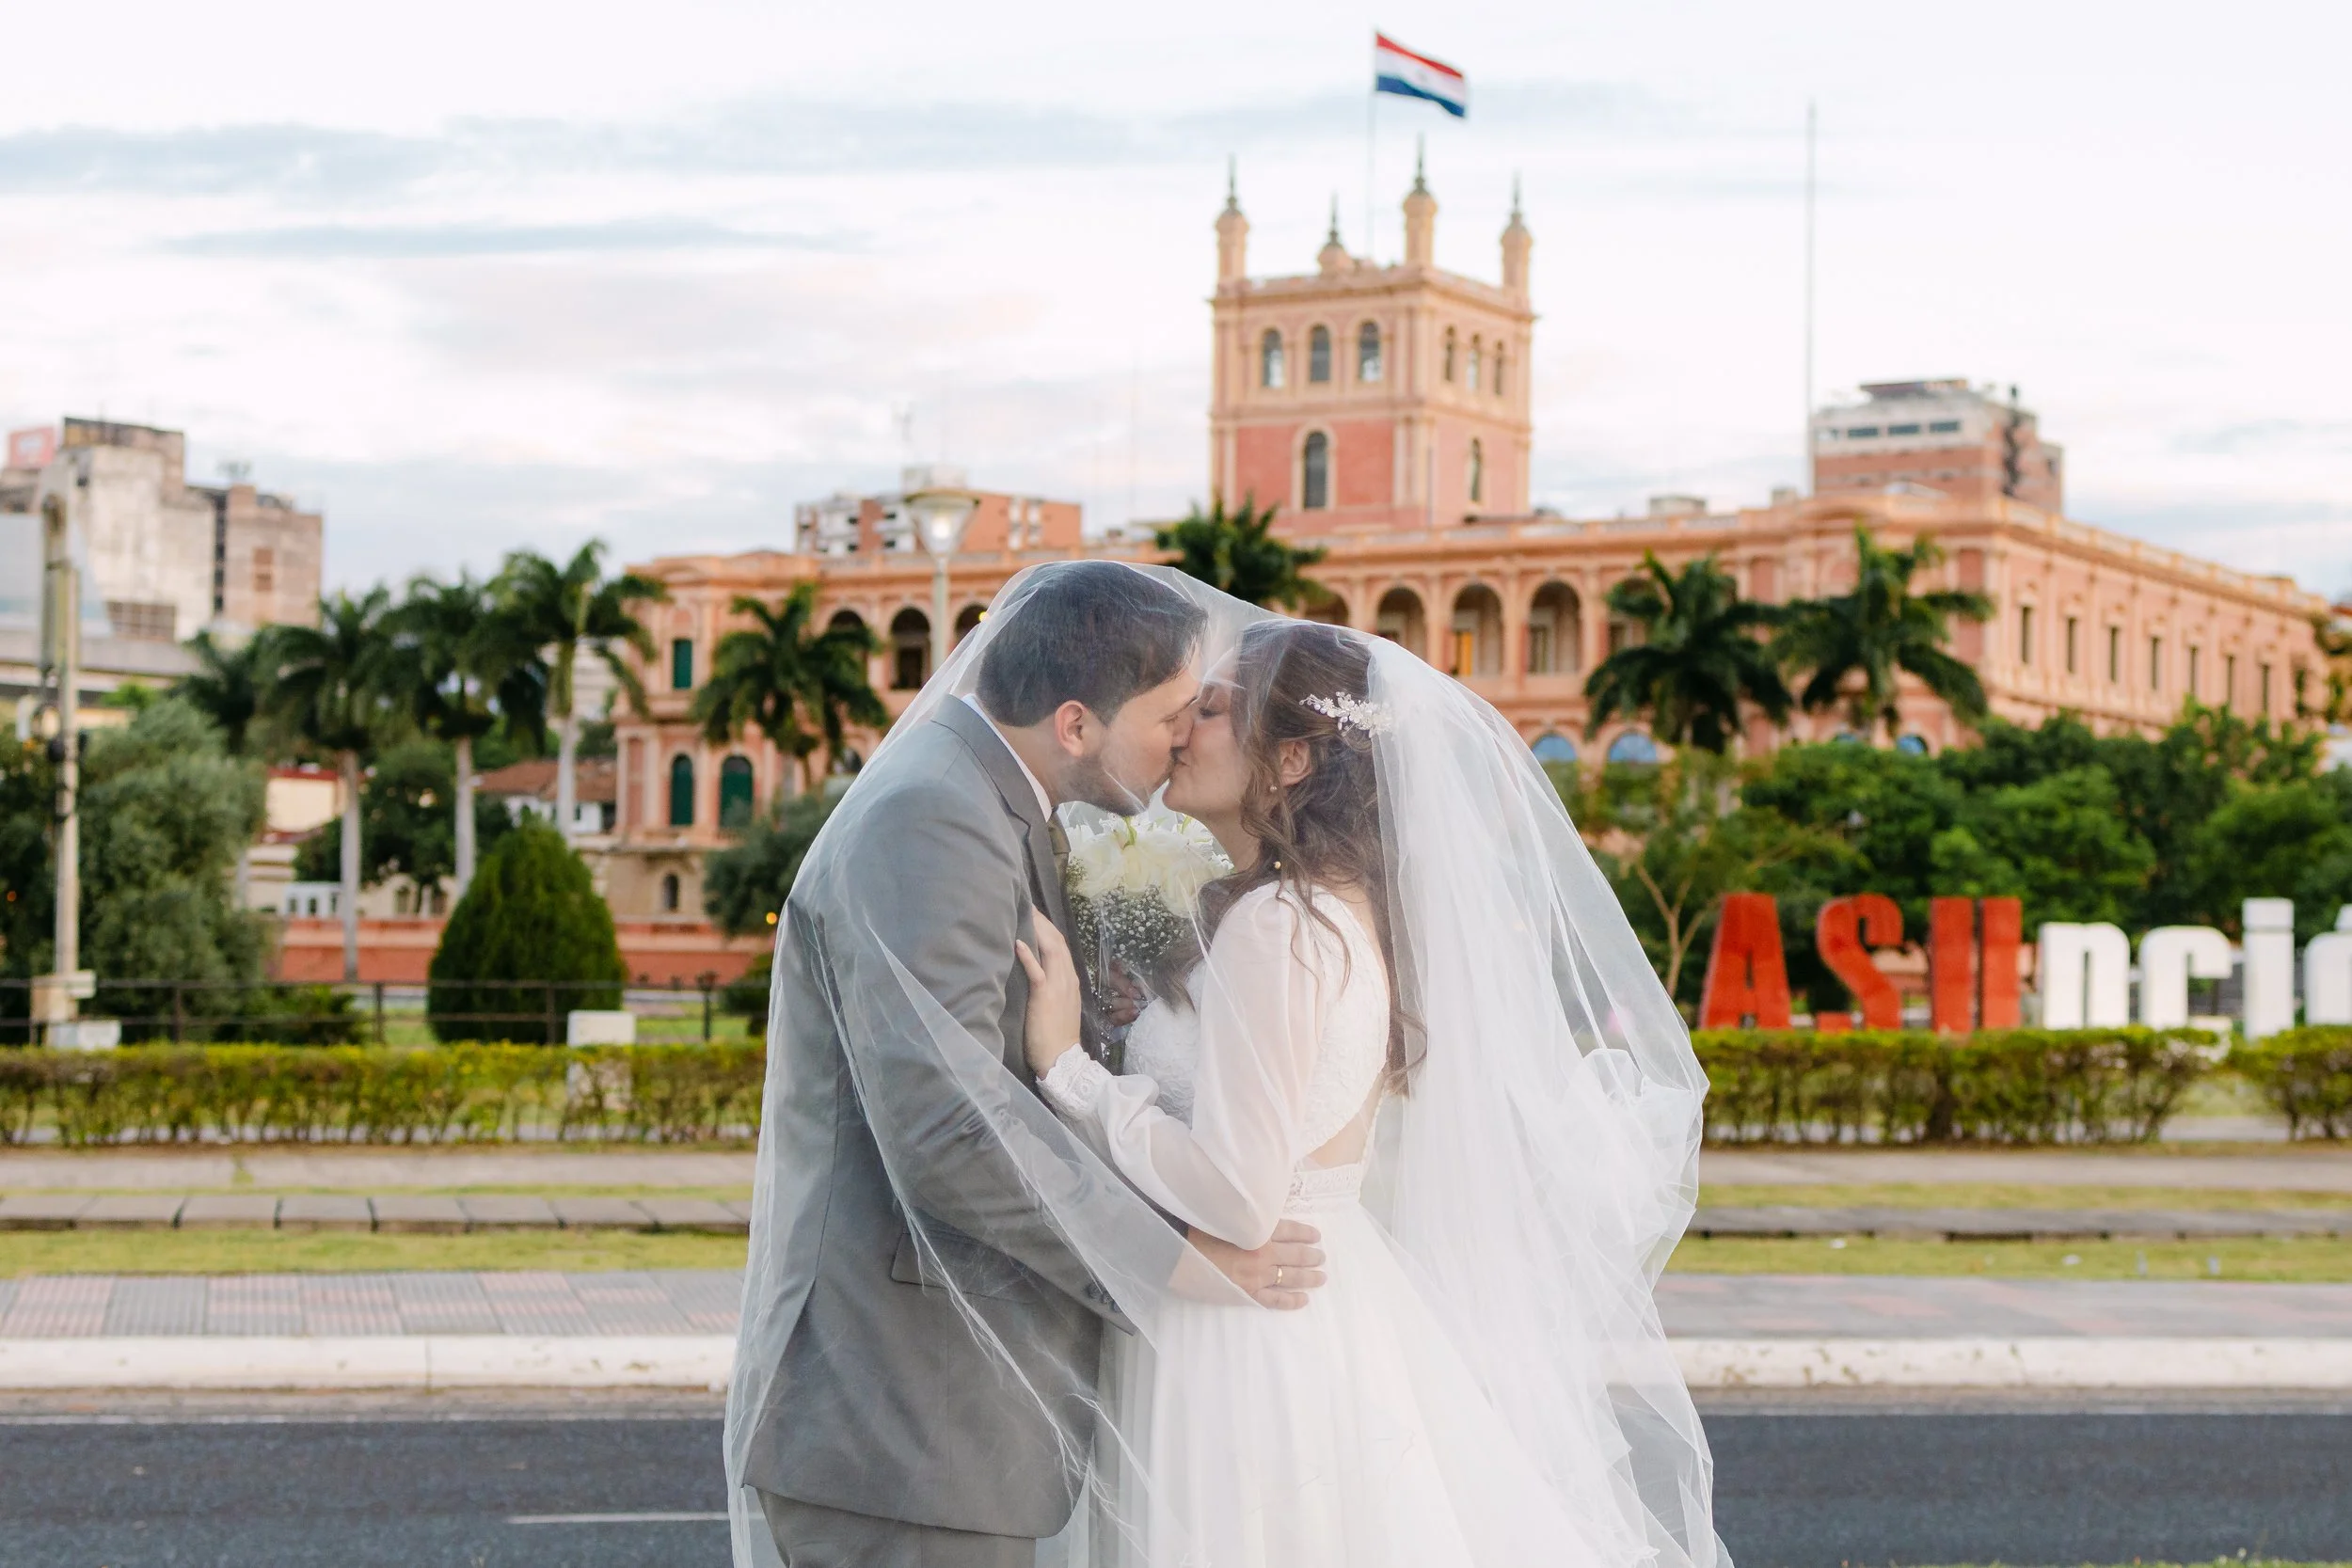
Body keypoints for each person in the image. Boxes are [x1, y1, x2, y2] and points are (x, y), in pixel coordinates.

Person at [1015, 618, 1729, 1568]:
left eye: (1217, 708)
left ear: (1293, 759)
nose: (1184, 727)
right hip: (1324, 1300)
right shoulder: (1334, 906)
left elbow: (1237, 1192)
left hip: (1248, 1324)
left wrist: (1070, 1071)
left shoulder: (1279, 924)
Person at [723, 562, 1327, 1568]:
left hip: (938, 1426)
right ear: (1078, 722)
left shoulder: (981, 801)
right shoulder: (936, 816)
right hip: (905, 1419)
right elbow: (945, 1124)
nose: (1185, 735)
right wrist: (1177, 1261)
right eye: (1172, 711)